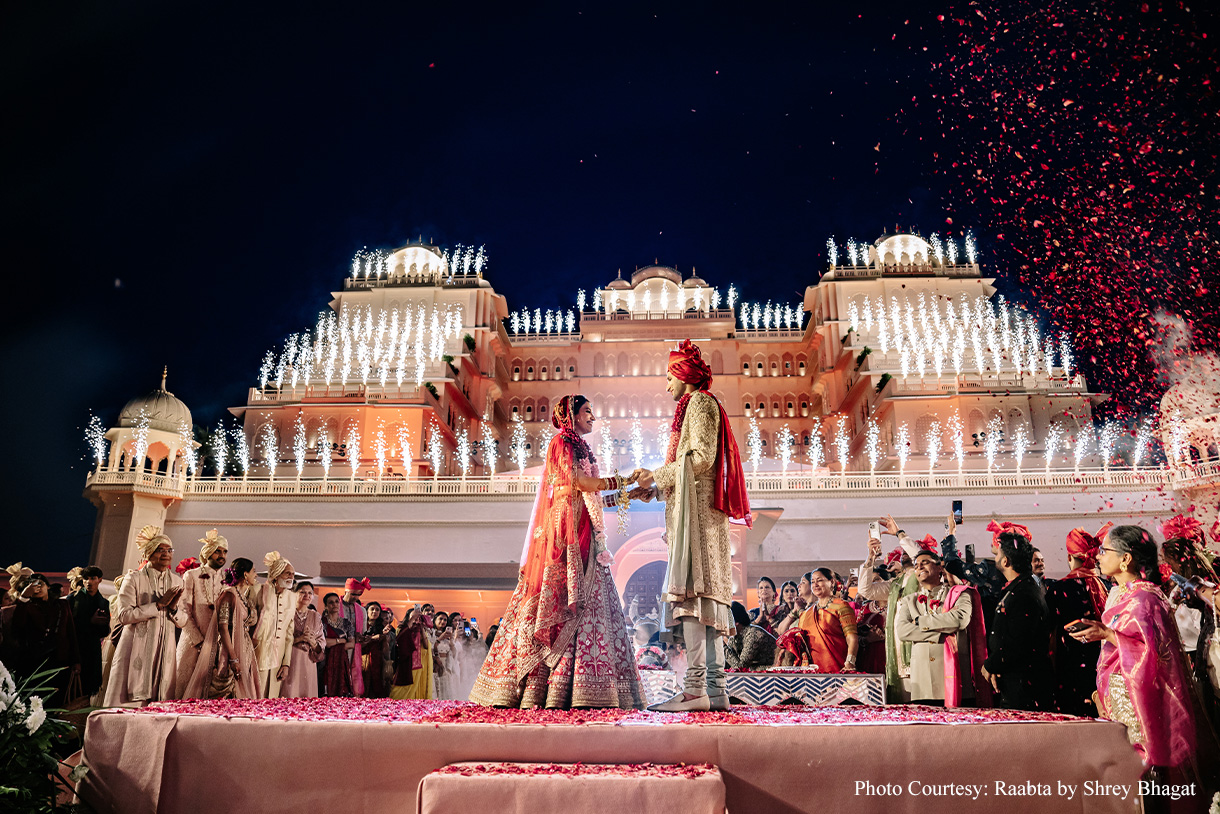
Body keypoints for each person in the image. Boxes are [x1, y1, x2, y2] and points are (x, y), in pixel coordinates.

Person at [470, 395, 646, 709]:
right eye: (587, 411)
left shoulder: (581, 445)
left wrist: (626, 493)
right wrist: (620, 480)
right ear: (571, 415)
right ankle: (544, 689)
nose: (593, 416)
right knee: (561, 606)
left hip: (586, 532)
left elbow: (589, 494)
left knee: (593, 605)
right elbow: (579, 483)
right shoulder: (561, 443)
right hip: (566, 534)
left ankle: (588, 687)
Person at [633, 342, 751, 712]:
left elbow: (701, 458)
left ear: (684, 374)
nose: (666, 384)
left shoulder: (699, 403)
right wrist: (656, 487)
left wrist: (657, 474)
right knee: (709, 602)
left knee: (694, 601)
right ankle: (716, 690)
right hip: (700, 513)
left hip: (697, 519)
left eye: (669, 375)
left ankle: (694, 688)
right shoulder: (699, 405)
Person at [1069, 526, 1200, 786]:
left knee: (1139, 774)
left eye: (1105, 551)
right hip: (1119, 696)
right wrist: (1102, 634)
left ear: (1125, 558)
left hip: (1136, 701)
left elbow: (1154, 654)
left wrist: (1107, 635)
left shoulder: (1144, 599)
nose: (1098, 557)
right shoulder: (1124, 594)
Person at [894, 550, 990, 706]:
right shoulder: (909, 600)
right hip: (922, 682)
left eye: (925, 562)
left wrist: (920, 622)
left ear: (940, 568)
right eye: (916, 566)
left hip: (956, 678)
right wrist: (940, 634)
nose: (919, 567)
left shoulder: (959, 594)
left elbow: (959, 620)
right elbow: (903, 631)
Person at [105, 526, 187, 706]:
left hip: (165, 648)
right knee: (126, 704)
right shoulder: (133, 578)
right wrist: (157, 605)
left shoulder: (177, 581)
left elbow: (184, 620)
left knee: (160, 701)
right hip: (134, 646)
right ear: (149, 553)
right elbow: (124, 616)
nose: (166, 554)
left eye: (169, 550)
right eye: (160, 550)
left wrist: (173, 608)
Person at [1045, 523, 1112, 716]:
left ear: (1069, 557)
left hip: (1070, 667)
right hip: (1103, 662)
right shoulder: (1106, 585)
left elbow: (1047, 629)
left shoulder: (1058, 589)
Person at [983, 532, 1053, 711]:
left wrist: (991, 664)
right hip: (1012, 676)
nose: (995, 558)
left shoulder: (1025, 592)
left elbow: (1019, 640)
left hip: (1024, 683)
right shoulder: (1019, 587)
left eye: (997, 554)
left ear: (1006, 561)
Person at [181, 557, 260, 699]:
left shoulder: (244, 597)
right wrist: (233, 658)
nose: (256, 575)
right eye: (254, 571)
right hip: (228, 650)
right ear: (245, 574)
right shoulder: (229, 595)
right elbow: (223, 628)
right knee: (224, 692)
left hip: (243, 647)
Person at [3, 571, 80, 704]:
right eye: (32, 585)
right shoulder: (26, 606)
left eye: (41, 584)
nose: (37, 587)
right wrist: (23, 598)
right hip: (34, 661)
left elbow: (71, 632)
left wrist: (76, 661)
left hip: (59, 660)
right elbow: (17, 627)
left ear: (48, 587)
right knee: (35, 700)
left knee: (56, 700)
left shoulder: (61, 605)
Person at [175, 529, 228, 698]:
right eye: (217, 551)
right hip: (192, 643)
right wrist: (198, 640)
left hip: (217, 644)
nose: (222, 555)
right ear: (207, 553)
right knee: (186, 688)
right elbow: (184, 609)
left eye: (225, 552)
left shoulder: (226, 579)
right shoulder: (192, 575)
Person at [776, 568, 858, 672]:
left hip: (838, 668)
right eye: (812, 582)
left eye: (819, 580)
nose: (815, 585)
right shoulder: (807, 613)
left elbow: (852, 638)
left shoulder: (841, 607)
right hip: (812, 672)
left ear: (832, 582)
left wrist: (850, 662)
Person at [254, 551, 296, 699]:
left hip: (278, 658)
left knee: (272, 699)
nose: (291, 577)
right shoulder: (259, 591)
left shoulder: (292, 598)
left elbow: (289, 636)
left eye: (292, 574)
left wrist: (286, 664)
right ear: (276, 574)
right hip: (258, 652)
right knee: (254, 697)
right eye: (287, 573)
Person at [67, 565, 108, 698]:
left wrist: (101, 624)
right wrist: (91, 621)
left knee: (89, 689)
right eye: (86, 578)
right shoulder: (73, 599)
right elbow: (68, 626)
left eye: (93, 578)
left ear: (99, 580)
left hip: (92, 650)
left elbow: (104, 632)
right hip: (74, 647)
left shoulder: (103, 603)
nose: (89, 582)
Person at [283, 581, 324, 697]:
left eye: (310, 593)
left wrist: (312, 641)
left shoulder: (315, 616)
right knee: (289, 693)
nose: (307, 596)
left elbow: (321, 642)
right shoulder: (287, 613)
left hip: (308, 661)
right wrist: (299, 638)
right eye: (302, 592)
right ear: (294, 593)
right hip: (290, 659)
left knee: (307, 697)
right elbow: (280, 638)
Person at [389, 607, 433, 699]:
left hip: (420, 663)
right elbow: (401, 638)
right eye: (414, 616)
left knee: (418, 689)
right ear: (408, 617)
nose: (416, 619)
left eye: (418, 617)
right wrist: (413, 620)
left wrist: (421, 629)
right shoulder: (401, 629)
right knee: (400, 690)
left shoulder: (420, 630)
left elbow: (426, 646)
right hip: (406, 662)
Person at [320, 592, 355, 697]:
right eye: (331, 603)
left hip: (341, 660)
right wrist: (340, 641)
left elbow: (352, 644)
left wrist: (333, 644)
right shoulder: (321, 622)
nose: (334, 605)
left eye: (336, 602)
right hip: (324, 661)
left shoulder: (346, 623)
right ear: (326, 606)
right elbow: (323, 642)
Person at [723, 601, 776, 671]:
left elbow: (740, 667)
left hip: (775, 673)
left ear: (736, 622)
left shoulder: (753, 634)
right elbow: (729, 665)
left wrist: (722, 646)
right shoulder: (734, 637)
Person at [340, 577, 370, 696]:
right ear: (346, 591)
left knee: (354, 674)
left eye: (359, 595)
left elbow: (362, 632)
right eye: (353, 594)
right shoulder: (335, 605)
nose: (356, 598)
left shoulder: (361, 610)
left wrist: (363, 638)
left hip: (354, 648)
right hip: (338, 645)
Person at [362, 601, 391, 698]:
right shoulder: (361, 624)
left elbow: (386, 645)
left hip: (377, 659)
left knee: (377, 682)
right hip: (362, 657)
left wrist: (384, 635)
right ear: (367, 611)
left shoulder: (382, 627)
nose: (374, 612)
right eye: (372, 609)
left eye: (377, 610)